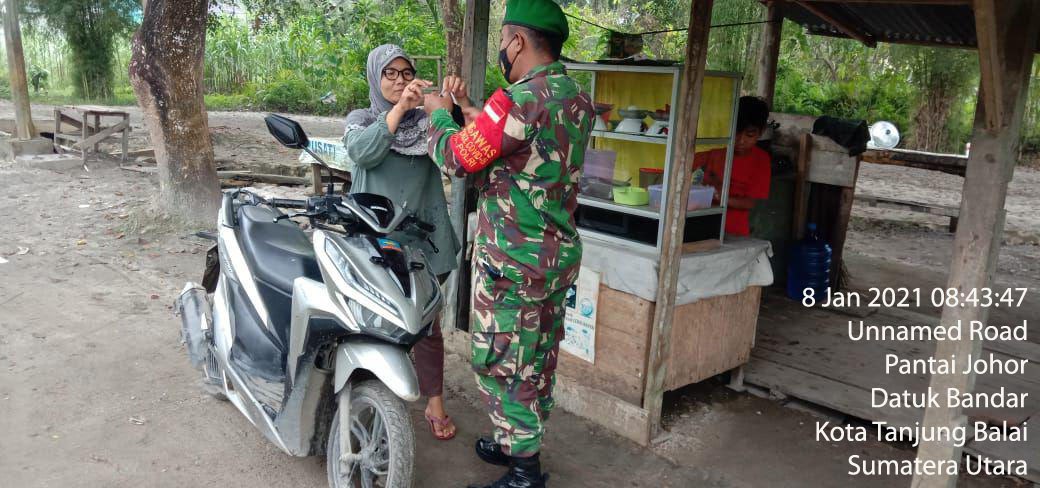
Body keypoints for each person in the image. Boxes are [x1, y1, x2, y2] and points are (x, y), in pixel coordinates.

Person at [422, 1, 594, 486]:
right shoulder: (574, 95)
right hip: (554, 255)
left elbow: (458, 158)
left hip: (514, 259)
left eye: (503, 41)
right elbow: (526, 145)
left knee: (502, 358)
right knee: (537, 352)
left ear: (517, 41)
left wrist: (440, 115)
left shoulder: (516, 98)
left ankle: (525, 470)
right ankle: (510, 439)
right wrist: (476, 113)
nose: (501, 49)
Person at [342, 44, 466, 440]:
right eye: (389, 74)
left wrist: (455, 103)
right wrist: (397, 111)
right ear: (375, 79)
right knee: (367, 320)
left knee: (425, 324)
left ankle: (434, 402)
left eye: (405, 73)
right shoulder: (362, 119)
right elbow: (364, 154)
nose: (399, 81)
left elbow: (463, 150)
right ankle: (363, 391)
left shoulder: (430, 120)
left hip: (424, 238)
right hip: (374, 239)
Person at [692, 96, 772, 237]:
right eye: (736, 132)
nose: (741, 141)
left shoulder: (761, 160)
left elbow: (750, 202)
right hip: (700, 224)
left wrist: (720, 197)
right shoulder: (717, 151)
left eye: (749, 135)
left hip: (734, 232)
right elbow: (684, 163)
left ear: (762, 131)